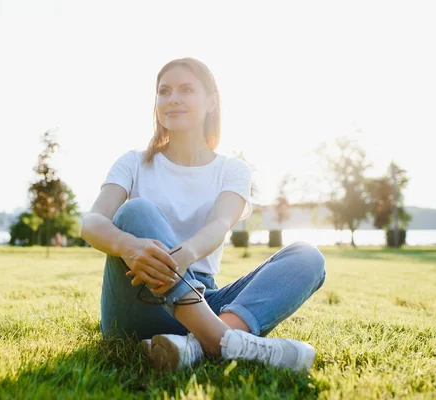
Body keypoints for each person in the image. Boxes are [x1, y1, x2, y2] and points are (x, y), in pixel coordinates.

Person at [80, 57, 326, 373]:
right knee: (136, 210)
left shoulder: (232, 169)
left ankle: (197, 345)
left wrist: (185, 256)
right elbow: (91, 222)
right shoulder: (132, 162)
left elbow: (220, 224)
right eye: (164, 91)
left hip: (206, 296)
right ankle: (223, 340)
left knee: (308, 257)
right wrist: (130, 247)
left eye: (187, 89)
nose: (173, 99)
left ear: (211, 102)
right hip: (138, 301)